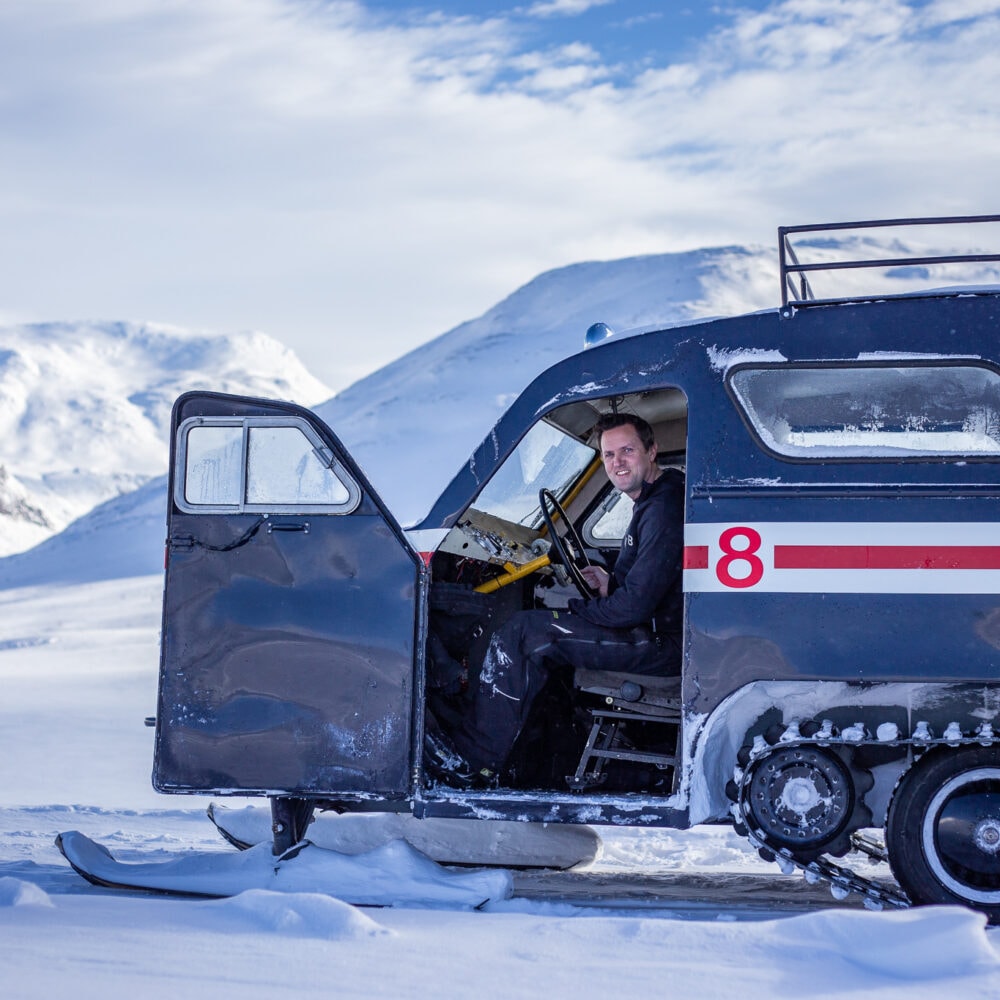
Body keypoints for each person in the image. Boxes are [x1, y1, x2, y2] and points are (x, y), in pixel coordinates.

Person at [426, 412, 684, 787]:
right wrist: (610, 582)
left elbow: (633, 608)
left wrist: (578, 607)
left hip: (662, 644)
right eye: (609, 455)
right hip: (656, 630)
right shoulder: (654, 501)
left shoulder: (662, 508)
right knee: (537, 629)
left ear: (652, 451)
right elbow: (649, 584)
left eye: (627, 451)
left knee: (522, 634)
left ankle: (474, 763)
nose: (617, 462)